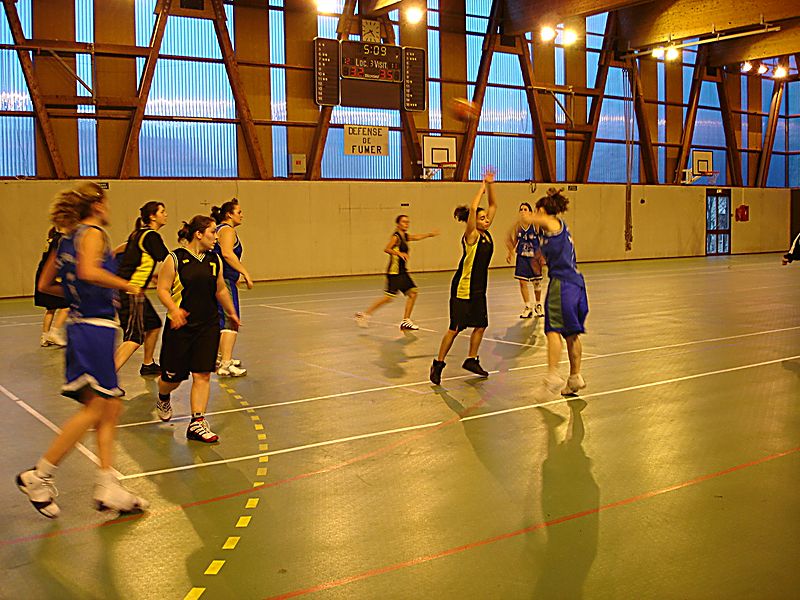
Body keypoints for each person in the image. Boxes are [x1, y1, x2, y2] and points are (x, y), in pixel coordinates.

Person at [16, 182, 149, 518]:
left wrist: (77, 295)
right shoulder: (93, 233)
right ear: (98, 205)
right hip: (93, 329)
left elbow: (45, 285)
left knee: (110, 407)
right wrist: (125, 285)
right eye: (106, 203)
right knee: (95, 409)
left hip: (82, 327)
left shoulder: (65, 240)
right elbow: (89, 271)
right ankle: (39, 475)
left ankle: (107, 484)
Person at [155, 216, 240, 443]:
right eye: (212, 232)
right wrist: (174, 310)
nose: (216, 238)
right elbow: (162, 289)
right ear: (198, 234)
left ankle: (197, 423)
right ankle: (163, 395)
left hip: (208, 325)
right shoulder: (175, 258)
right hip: (180, 327)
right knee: (172, 379)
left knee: (202, 374)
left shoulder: (214, 259)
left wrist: (231, 313)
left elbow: (220, 289)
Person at [430, 170, 497, 385]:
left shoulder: (486, 234)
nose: (486, 220)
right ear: (473, 221)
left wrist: (490, 185)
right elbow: (474, 209)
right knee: (455, 328)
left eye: (487, 218)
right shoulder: (472, 235)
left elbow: (493, 205)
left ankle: (471, 359)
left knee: (481, 325)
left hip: (478, 289)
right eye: (482, 218)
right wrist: (481, 188)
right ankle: (438, 363)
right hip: (463, 287)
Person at [529, 188, 588, 399]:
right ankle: (575, 377)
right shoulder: (555, 231)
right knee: (571, 334)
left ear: (541, 210)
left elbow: (537, 220)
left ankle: (552, 375)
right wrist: (538, 257)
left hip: (562, 285)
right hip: (577, 285)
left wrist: (518, 225)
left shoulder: (552, 223)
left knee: (552, 330)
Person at [355, 215, 439, 330]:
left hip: (402, 271)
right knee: (389, 297)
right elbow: (387, 249)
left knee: (413, 293)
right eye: (404, 222)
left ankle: (405, 321)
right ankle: (364, 315)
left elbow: (415, 237)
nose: (406, 224)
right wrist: (399, 253)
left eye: (408, 222)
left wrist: (429, 234)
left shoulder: (404, 236)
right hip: (395, 272)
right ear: (398, 224)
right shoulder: (396, 237)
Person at [114, 201, 169, 375]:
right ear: (152, 216)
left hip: (132, 290)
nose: (165, 214)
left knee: (153, 324)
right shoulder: (151, 236)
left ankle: (148, 364)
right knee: (134, 337)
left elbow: (130, 256)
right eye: (162, 211)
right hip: (131, 292)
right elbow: (168, 260)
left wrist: (152, 276)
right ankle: (106, 378)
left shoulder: (138, 233)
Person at [211, 200, 251, 377]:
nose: (242, 215)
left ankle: (222, 357)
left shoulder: (219, 229)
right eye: (239, 212)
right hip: (224, 280)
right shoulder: (227, 230)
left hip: (222, 279)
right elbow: (227, 254)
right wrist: (244, 272)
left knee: (222, 319)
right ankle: (226, 365)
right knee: (231, 319)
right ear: (229, 214)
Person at [506, 202, 546, 318]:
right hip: (522, 258)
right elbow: (515, 241)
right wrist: (510, 253)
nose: (523, 211)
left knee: (536, 282)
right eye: (521, 209)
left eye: (525, 209)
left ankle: (538, 305)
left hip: (534, 258)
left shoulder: (535, 225)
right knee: (522, 282)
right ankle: (528, 307)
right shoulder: (518, 226)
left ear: (530, 212)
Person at [34, 226, 69, 347]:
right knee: (68, 304)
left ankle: (45, 336)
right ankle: (55, 332)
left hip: (42, 274)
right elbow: (58, 260)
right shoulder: (61, 240)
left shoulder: (52, 239)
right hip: (52, 277)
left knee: (50, 308)